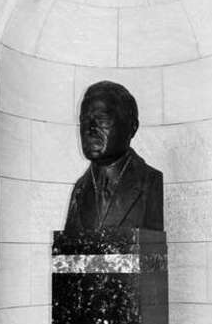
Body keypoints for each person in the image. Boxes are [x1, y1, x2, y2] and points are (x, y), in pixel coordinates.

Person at [64, 81, 163, 233]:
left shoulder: (149, 181)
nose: (90, 129)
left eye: (102, 119)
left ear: (132, 127)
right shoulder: (79, 190)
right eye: (84, 120)